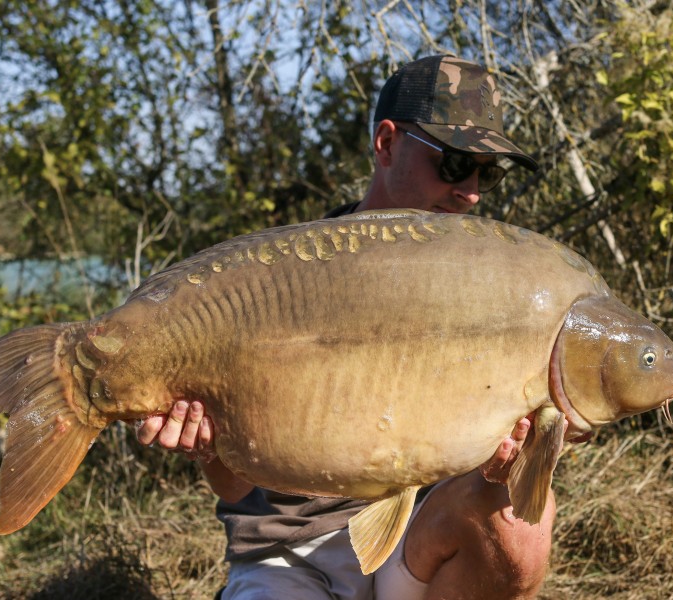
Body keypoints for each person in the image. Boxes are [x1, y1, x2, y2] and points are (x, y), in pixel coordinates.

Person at [137, 55, 554, 599]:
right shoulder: (281, 280)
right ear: (386, 144)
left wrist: (530, 444)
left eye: (488, 172)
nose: (471, 191)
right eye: (454, 163)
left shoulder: (487, 296)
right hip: (289, 555)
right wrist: (208, 446)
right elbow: (239, 488)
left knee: (521, 525)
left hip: (416, 543)